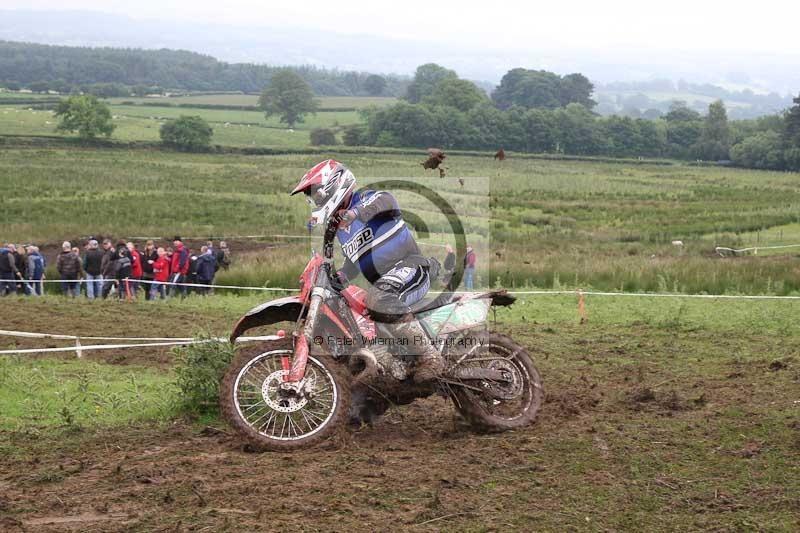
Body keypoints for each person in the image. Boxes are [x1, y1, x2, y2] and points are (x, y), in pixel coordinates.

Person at [291, 159, 444, 382]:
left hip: (412, 267)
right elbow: (356, 260)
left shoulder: (365, 198)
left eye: (316, 193)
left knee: (379, 297)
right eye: (312, 197)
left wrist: (356, 213)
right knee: (356, 313)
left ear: (333, 184)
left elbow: (388, 201)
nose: (314, 199)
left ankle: (430, 357)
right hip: (387, 282)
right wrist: (341, 275)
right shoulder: (341, 230)